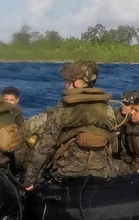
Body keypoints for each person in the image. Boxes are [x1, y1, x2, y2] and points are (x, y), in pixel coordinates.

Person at [22, 61, 130, 190]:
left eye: (67, 82)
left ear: (77, 83)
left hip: (67, 172)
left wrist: (29, 181)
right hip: (102, 170)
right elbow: (114, 146)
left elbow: (45, 147)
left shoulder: (64, 109)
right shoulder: (107, 109)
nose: (65, 85)